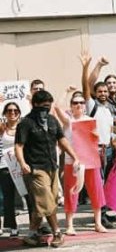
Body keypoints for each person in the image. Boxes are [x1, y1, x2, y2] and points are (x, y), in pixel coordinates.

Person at [15, 90, 79, 248]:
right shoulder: (25, 123)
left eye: (48, 106)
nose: (46, 108)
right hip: (35, 169)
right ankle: (57, 232)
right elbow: (19, 145)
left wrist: (74, 156)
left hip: (52, 167)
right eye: (43, 106)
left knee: (45, 202)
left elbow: (61, 140)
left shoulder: (52, 120)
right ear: (34, 104)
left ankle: (31, 235)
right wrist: (22, 163)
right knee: (47, 201)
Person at [54, 89, 107, 234]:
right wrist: (65, 91)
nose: (78, 105)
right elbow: (56, 107)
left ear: (85, 105)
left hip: (90, 159)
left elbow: (99, 140)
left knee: (96, 190)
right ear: (71, 105)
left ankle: (98, 222)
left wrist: (95, 136)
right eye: (75, 102)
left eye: (81, 102)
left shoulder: (90, 120)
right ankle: (70, 225)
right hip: (73, 161)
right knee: (71, 191)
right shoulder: (68, 120)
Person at [80, 52, 116, 229]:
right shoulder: (92, 106)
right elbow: (86, 85)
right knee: (99, 184)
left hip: (109, 149)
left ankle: (105, 214)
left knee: (108, 184)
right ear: (95, 93)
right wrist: (88, 66)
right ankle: (100, 216)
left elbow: (110, 132)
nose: (103, 93)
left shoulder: (109, 110)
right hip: (96, 151)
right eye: (100, 91)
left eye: (105, 91)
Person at [0, 102, 22, 237]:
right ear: (5, 113)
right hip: (5, 166)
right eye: (9, 111)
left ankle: (36, 225)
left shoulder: (23, 127)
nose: (12, 113)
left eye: (15, 110)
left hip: (21, 166)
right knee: (8, 198)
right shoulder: (2, 128)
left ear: (19, 113)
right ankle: (11, 226)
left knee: (28, 197)